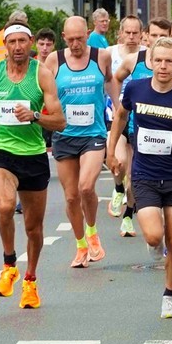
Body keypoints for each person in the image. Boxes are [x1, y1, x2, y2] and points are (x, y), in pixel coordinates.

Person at [0, 24, 66, 307]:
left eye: (22, 41)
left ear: (31, 42)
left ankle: (30, 280)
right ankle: (9, 265)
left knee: (33, 227)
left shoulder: (41, 74)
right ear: (5, 45)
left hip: (33, 155)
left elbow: (60, 121)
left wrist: (34, 116)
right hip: (0, 152)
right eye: (12, 42)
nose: (17, 47)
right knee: (6, 206)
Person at [108, 38, 172, 317]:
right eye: (159, 60)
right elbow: (120, 117)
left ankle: (169, 295)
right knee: (154, 237)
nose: (163, 66)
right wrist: (111, 150)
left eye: (169, 61)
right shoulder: (136, 88)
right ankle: (156, 245)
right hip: (145, 175)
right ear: (150, 62)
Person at [40, 16, 113, 267]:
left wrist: (119, 109)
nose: (75, 44)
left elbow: (110, 81)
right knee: (71, 197)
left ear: (87, 34)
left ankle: (92, 232)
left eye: (79, 38)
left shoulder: (101, 57)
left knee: (86, 187)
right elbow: (43, 91)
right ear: (63, 38)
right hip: (64, 135)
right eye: (70, 40)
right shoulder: (54, 60)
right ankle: (81, 245)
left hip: (94, 133)